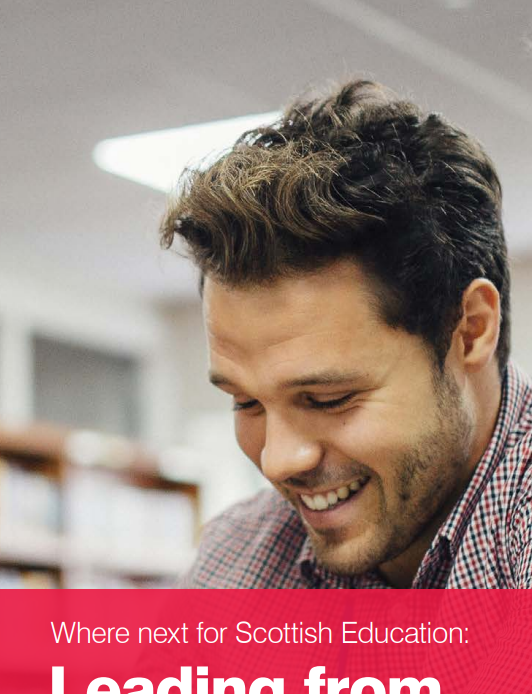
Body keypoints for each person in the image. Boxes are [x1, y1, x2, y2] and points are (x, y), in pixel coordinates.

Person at [160, 79, 531, 590]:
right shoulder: (239, 562)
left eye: (328, 398)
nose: (278, 461)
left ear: (469, 331)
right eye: (246, 403)